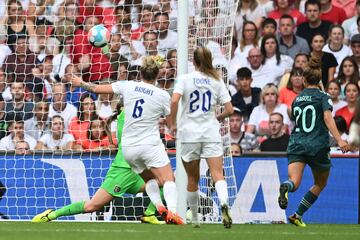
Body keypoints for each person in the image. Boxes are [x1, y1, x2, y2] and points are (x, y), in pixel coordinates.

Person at [68, 56, 183, 225]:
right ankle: (173, 212)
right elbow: (170, 122)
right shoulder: (162, 95)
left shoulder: (128, 86)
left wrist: (80, 82)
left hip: (129, 149)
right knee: (168, 180)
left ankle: (158, 207)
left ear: (140, 73)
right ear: (157, 74)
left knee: (150, 180)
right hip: (149, 144)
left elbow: (96, 89)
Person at [32, 109, 165, 225]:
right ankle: (51, 215)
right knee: (91, 206)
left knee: (164, 182)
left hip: (136, 172)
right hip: (123, 171)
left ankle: (149, 214)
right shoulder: (125, 118)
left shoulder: (133, 117)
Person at [278, 57, 350, 227]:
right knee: (320, 183)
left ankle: (286, 187)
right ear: (319, 80)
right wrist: (339, 139)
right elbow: (326, 117)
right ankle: (297, 215)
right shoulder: (323, 96)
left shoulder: (296, 99)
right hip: (317, 144)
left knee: (294, 181)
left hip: (296, 143)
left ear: (303, 80)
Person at [170, 47, 234, 228]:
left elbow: (174, 100)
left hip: (189, 134)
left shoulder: (185, 79)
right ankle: (223, 203)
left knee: (192, 179)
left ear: (194, 61)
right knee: (218, 174)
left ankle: (196, 218)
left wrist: (172, 123)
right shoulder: (216, 80)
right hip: (211, 133)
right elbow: (230, 110)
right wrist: (218, 117)